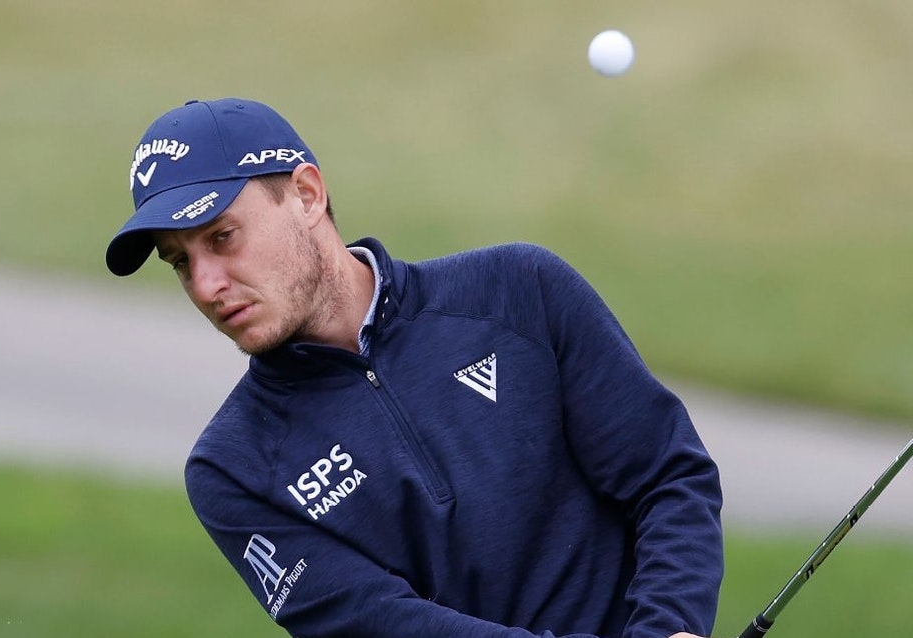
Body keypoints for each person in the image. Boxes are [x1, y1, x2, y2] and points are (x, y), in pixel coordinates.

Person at [106, 97, 724, 638]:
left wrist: (668, 626)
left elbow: (667, 478)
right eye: (179, 261)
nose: (206, 285)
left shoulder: (519, 292)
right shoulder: (234, 468)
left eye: (222, 237)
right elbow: (383, 624)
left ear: (307, 195)